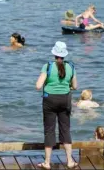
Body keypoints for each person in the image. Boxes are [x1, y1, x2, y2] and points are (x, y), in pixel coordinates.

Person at [36, 41, 78, 169]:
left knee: (49, 130)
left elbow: (38, 86)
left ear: (54, 53)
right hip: (65, 100)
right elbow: (75, 86)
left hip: (50, 101)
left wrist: (49, 83)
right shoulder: (70, 66)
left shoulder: (47, 66)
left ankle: (47, 162)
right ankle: (70, 161)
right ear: (64, 55)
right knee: (65, 129)